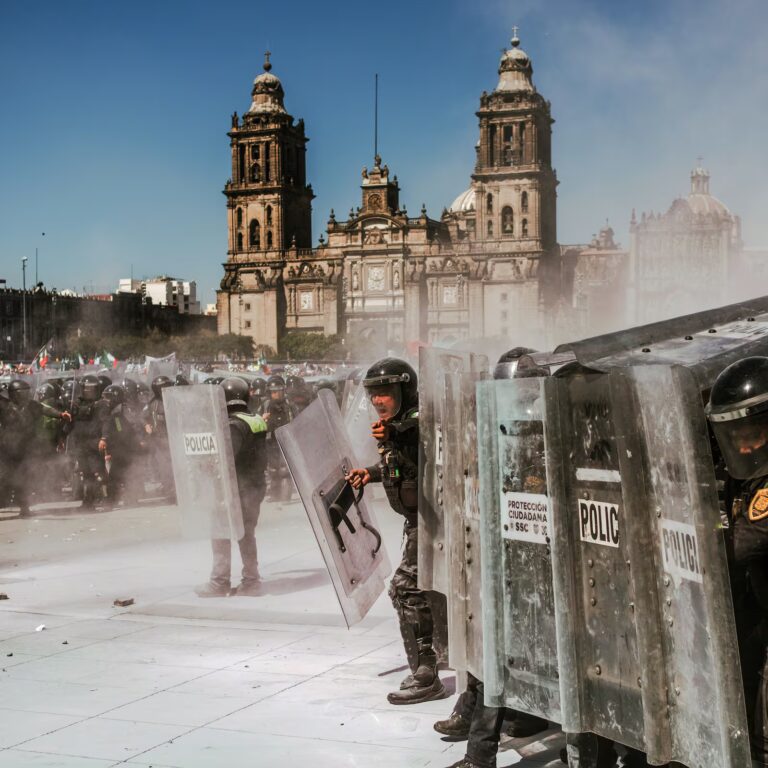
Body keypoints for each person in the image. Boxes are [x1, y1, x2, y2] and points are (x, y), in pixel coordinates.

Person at [346, 357, 446, 705]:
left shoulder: (418, 419)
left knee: (405, 587)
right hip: (418, 522)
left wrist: (393, 433)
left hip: (435, 521)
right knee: (416, 590)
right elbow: (402, 465)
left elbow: (418, 430)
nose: (378, 400)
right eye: (373, 394)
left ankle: (426, 673)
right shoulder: (396, 424)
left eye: (385, 392)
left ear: (405, 389)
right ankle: (433, 658)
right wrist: (371, 473)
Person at [706, 356, 768, 765]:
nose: (744, 448)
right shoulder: (743, 477)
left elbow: (741, 546)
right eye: (737, 438)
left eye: (754, 436)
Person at [196, 377, 268, 597]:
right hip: (253, 485)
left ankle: (219, 583)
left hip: (235, 487)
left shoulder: (233, 425)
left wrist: (205, 464)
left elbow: (226, 459)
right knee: (246, 533)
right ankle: (252, 582)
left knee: (220, 530)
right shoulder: (255, 419)